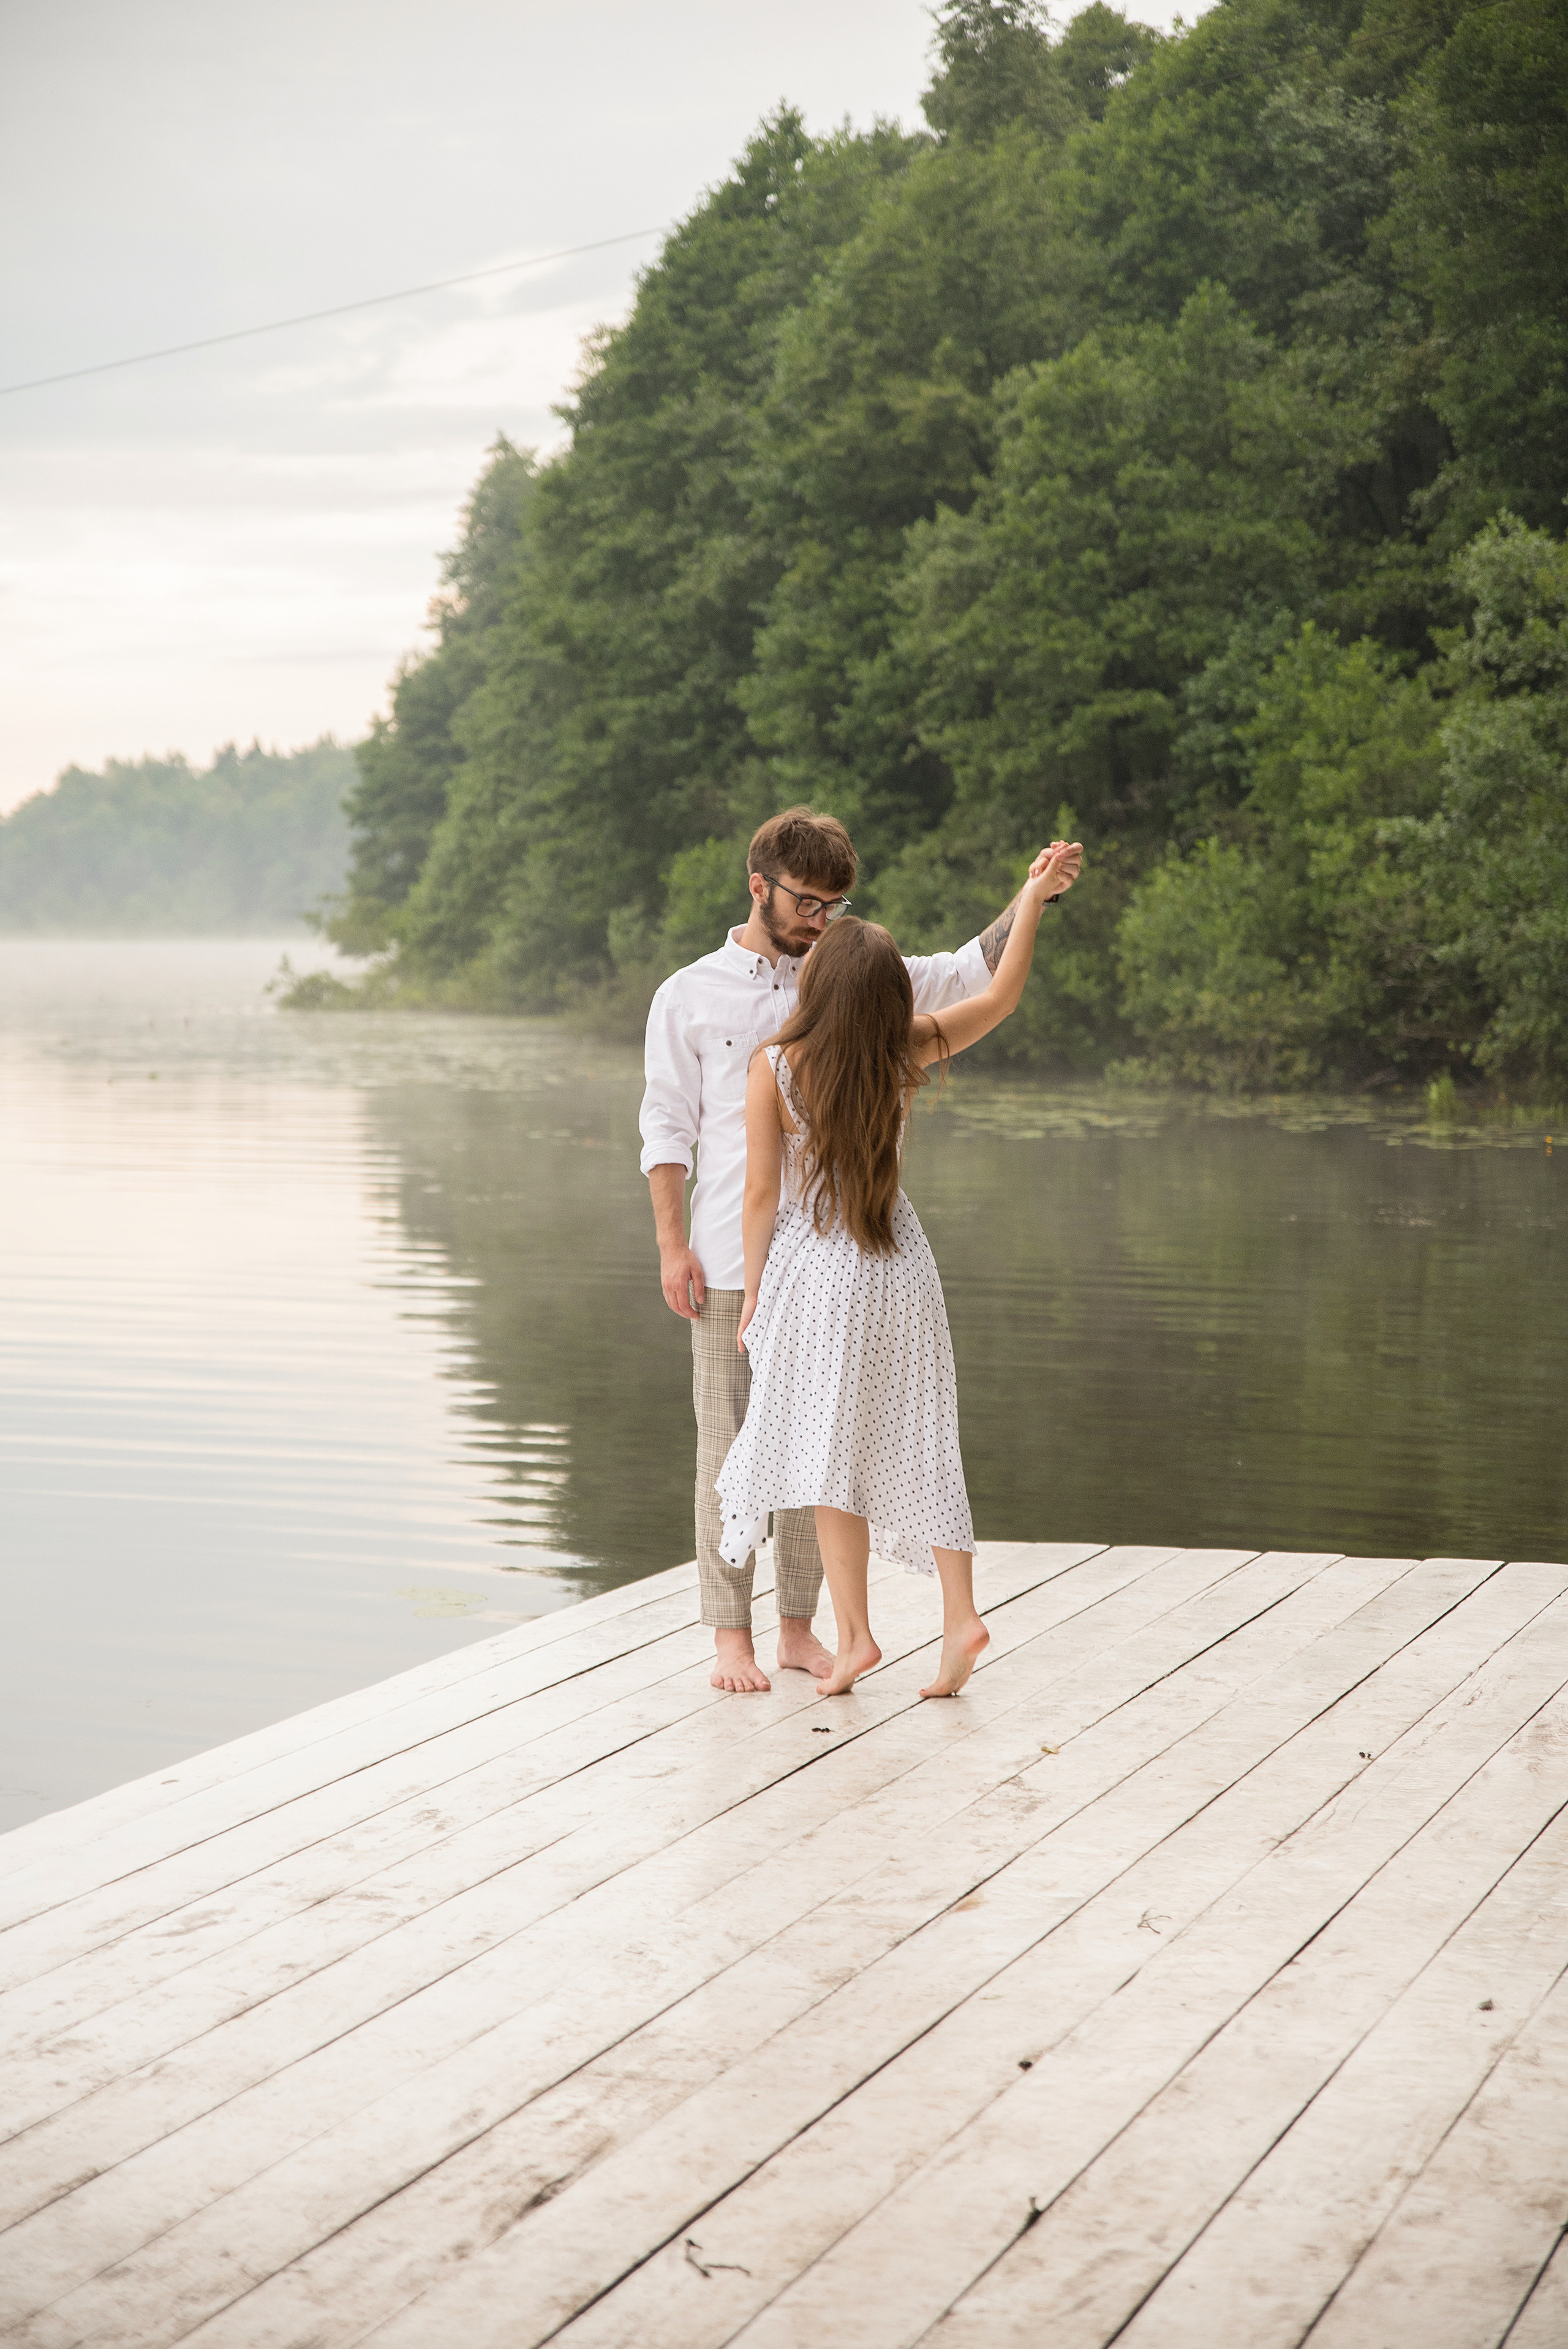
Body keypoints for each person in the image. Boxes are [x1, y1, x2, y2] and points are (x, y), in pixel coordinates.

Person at [640, 807, 1082, 1693]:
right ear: (759, 885)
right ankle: (735, 1636)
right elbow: (666, 1126)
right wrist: (672, 1244)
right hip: (756, 1261)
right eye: (808, 901)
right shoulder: (690, 994)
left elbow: (971, 968)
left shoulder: (849, 984)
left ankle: (807, 1630)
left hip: (798, 1263)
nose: (821, 919)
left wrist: (1031, 893)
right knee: (732, 1449)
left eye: (836, 906)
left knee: (819, 1446)